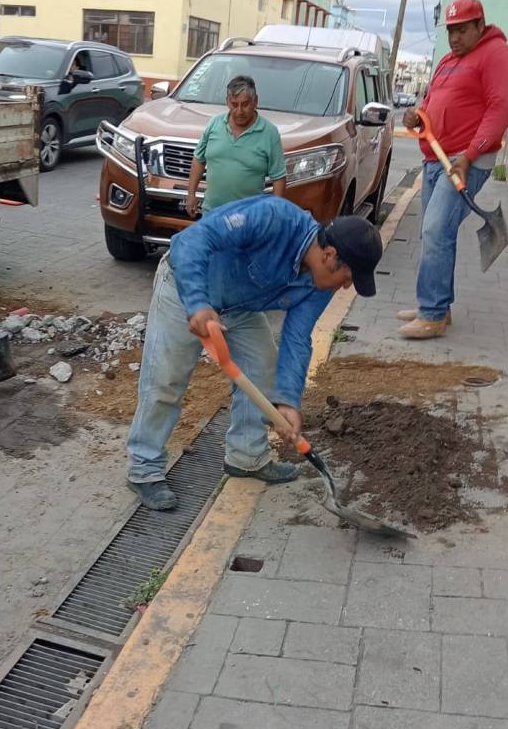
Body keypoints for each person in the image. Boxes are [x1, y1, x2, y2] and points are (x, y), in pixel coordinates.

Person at [127, 196, 383, 510]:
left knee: (262, 365)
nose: (345, 287)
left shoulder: (318, 284)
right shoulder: (273, 217)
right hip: (185, 290)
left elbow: (297, 337)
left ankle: (246, 456)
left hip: (239, 307)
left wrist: (288, 401)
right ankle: (145, 467)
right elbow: (191, 241)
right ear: (329, 255)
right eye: (348, 279)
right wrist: (197, 303)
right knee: (166, 380)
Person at [400, 0, 508, 339]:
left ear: (480, 25)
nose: (454, 37)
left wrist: (468, 157)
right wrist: (417, 115)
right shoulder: (448, 60)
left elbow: (500, 110)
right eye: (451, 31)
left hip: (464, 161)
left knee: (436, 229)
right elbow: (429, 102)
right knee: (435, 231)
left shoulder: (498, 55)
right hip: (436, 158)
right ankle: (437, 304)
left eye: (462, 30)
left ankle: (433, 313)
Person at [185, 75, 287, 218]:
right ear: (227, 102)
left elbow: (279, 177)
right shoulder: (214, 124)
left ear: (255, 101)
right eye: (234, 104)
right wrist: (191, 194)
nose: (239, 111)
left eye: (245, 104)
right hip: (212, 215)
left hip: (249, 219)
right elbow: (198, 160)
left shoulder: (269, 133)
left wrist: (275, 212)